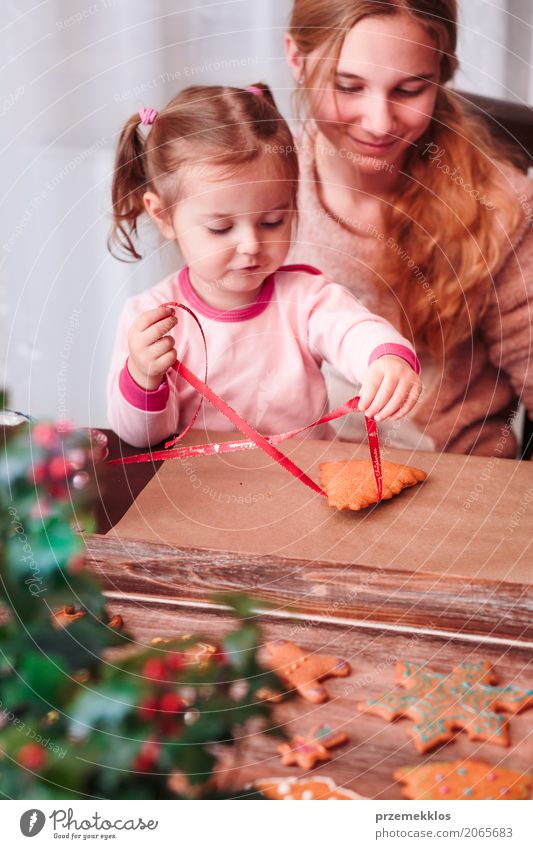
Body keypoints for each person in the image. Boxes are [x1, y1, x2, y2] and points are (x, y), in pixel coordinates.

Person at [106, 84, 421, 448]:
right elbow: (140, 436)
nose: (252, 245)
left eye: (272, 221)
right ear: (163, 215)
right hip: (199, 490)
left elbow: (352, 331)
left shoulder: (307, 298)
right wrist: (143, 377)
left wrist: (385, 359)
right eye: (221, 228)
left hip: (306, 484)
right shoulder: (149, 320)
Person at [284, 0, 533, 457]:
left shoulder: (498, 205)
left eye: (410, 90)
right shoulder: (257, 192)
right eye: (348, 86)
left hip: (455, 476)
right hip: (297, 473)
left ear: (441, 74)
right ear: (296, 59)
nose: (379, 124)